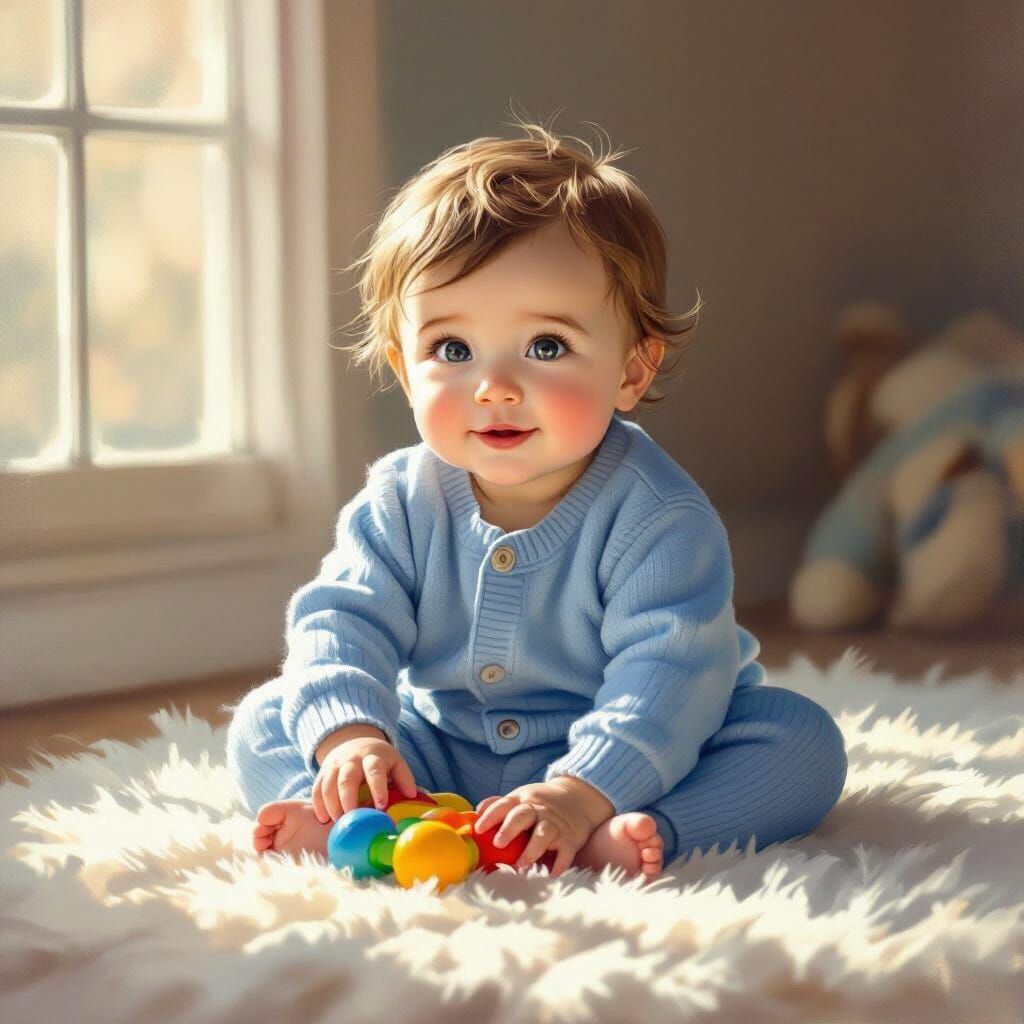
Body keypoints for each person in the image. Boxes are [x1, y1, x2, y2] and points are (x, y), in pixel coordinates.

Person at [226, 114, 848, 882]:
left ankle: (626, 835)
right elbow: (342, 619)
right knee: (269, 717)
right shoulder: (400, 498)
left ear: (631, 371)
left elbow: (668, 677)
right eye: (452, 350)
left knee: (800, 742)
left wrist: (582, 792)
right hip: (441, 750)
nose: (494, 387)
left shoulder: (658, 518)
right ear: (403, 364)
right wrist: (352, 738)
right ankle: (366, 826)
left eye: (545, 347)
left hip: (630, 757)